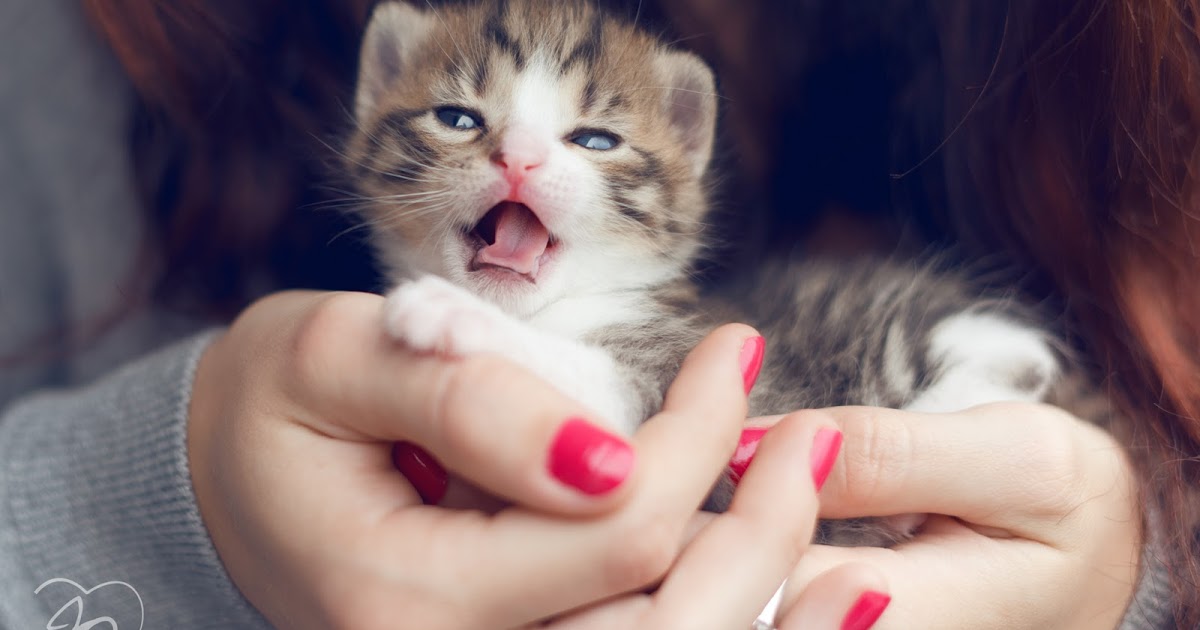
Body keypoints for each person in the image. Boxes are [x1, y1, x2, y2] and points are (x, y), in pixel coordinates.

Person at [0, 0, 1170, 629]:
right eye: (460, 119)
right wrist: (168, 511)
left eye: (594, 136)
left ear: (684, 160)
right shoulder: (55, 64)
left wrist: (1119, 583)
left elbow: (627, 394)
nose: (518, 154)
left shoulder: (1086, 62)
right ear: (377, 112)